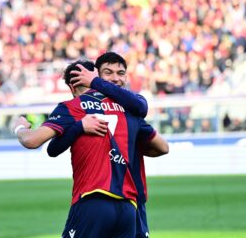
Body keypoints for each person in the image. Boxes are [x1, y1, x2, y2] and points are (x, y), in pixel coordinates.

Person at [11, 60, 168, 238]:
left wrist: (20, 128)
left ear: (71, 86)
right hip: (129, 208)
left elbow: (31, 141)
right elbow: (163, 147)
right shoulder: (127, 109)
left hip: (93, 200)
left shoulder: (72, 108)